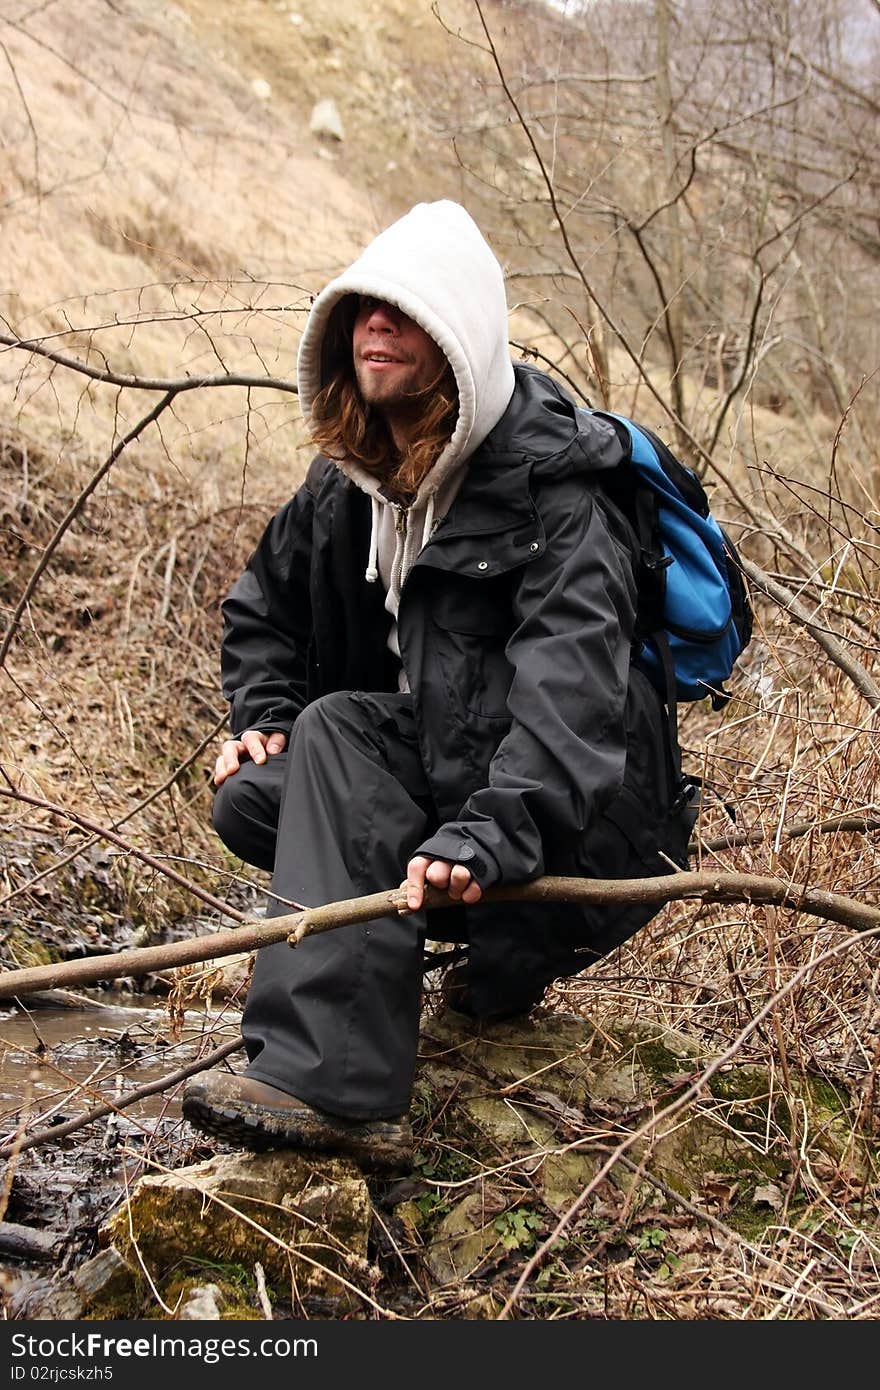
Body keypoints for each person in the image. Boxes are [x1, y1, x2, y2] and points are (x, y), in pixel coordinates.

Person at [182, 200, 693, 1174]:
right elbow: (264, 609)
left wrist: (495, 827)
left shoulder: (555, 485)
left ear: (459, 338)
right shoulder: (352, 481)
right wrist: (265, 718)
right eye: (359, 311)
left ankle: (332, 1084)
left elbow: (573, 695)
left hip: (586, 818)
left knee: (343, 734)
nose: (375, 325)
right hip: (455, 777)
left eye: (404, 310)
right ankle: (447, 971)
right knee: (261, 793)